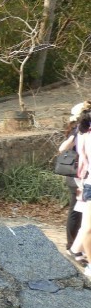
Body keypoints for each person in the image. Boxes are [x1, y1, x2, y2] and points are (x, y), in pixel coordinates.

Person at [60, 102, 86, 257]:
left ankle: (75, 245)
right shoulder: (78, 131)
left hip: (77, 176)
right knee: (76, 212)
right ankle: (72, 245)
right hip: (78, 176)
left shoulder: (79, 130)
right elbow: (62, 148)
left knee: (78, 212)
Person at [71, 107, 91, 280]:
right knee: (87, 227)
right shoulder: (86, 134)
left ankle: (77, 250)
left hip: (86, 181)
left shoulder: (83, 133)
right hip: (88, 182)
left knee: (87, 225)